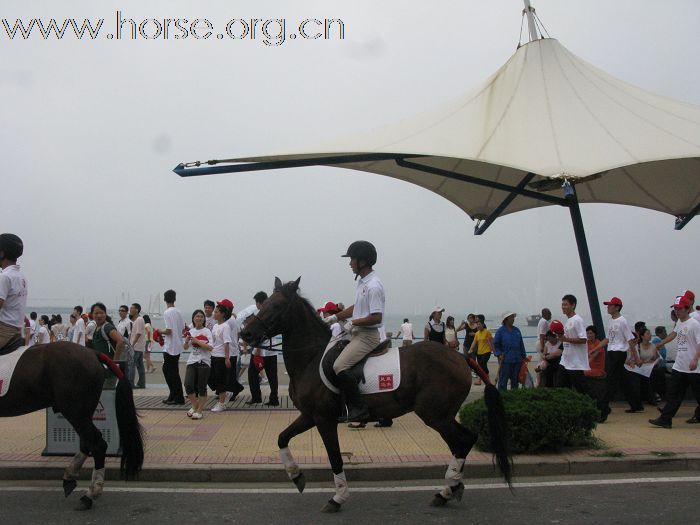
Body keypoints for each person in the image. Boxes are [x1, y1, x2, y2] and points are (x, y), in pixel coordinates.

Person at [323, 241, 385, 422]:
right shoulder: (363, 283)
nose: (350, 263)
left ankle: (359, 408)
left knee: (339, 366)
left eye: (352, 259)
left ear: (363, 261)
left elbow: (376, 317)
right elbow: (357, 307)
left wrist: (353, 323)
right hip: (359, 333)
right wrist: (335, 317)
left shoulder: (373, 285)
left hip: (367, 336)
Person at [649, 295, 700, 428]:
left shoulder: (694, 324)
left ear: (687, 309)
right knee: (674, 394)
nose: (677, 311)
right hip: (680, 365)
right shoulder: (680, 323)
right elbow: (674, 334)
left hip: (694, 367)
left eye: (679, 308)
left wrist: (695, 359)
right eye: (675, 308)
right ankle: (665, 420)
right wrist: (661, 343)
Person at [591, 296, 642, 421]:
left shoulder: (622, 321)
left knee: (610, 382)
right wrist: (595, 348)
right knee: (624, 380)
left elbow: (630, 340)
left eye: (610, 305)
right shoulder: (611, 321)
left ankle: (603, 410)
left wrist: (636, 358)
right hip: (612, 352)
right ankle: (636, 404)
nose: (608, 307)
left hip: (618, 353)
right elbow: (608, 339)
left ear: (617, 307)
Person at [555, 295, 597, 405]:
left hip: (575, 362)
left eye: (565, 304)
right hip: (565, 360)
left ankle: (600, 408)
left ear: (573, 305)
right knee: (560, 386)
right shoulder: (568, 321)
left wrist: (566, 339)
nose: (563, 307)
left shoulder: (577, 320)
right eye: (562, 305)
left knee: (582, 389)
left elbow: (583, 339)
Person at [246, 292, 280, 407]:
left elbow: (259, 333)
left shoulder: (261, 315)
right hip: (269, 351)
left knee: (253, 374)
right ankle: (272, 398)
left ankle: (258, 398)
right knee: (271, 376)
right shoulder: (273, 313)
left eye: (257, 303)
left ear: (259, 303)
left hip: (262, 350)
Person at [0, 234, 28, 351]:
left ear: (2, 253)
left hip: (4, 331)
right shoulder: (22, 277)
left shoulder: (4, 277)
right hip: (17, 331)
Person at [87, 302, 125, 389]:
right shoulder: (97, 328)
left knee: (107, 393)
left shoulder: (107, 327)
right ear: (92, 315)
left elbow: (120, 341)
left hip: (110, 370)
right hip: (103, 369)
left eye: (101, 313)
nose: (99, 315)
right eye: (96, 313)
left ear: (105, 314)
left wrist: (115, 362)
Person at [183, 309, 213, 420]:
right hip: (192, 361)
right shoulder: (191, 331)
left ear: (204, 319)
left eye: (201, 316)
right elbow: (186, 347)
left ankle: (199, 411)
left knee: (202, 388)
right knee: (188, 385)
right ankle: (195, 405)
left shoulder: (207, 331)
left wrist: (197, 341)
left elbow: (210, 348)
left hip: (204, 362)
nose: (199, 318)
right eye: (197, 316)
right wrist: (187, 341)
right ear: (193, 318)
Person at [161, 289, 186, 405]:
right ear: (174, 298)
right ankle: (173, 395)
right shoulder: (179, 312)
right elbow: (182, 328)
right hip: (178, 345)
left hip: (170, 347)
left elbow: (169, 331)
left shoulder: (167, 312)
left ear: (165, 299)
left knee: (169, 372)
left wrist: (158, 331)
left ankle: (178, 396)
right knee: (173, 371)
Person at [493, 312, 526, 391]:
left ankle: (513, 396)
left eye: (513, 317)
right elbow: (495, 344)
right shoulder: (500, 331)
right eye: (511, 317)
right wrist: (499, 354)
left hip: (517, 359)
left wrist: (524, 356)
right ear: (506, 319)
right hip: (506, 360)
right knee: (503, 381)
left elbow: (521, 344)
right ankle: (502, 397)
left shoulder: (517, 330)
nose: (513, 319)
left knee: (515, 380)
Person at [467, 315, 493, 385]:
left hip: (487, 352)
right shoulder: (477, 334)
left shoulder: (487, 332)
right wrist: (470, 349)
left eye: (479, 324)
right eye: (477, 324)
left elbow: (491, 341)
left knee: (481, 366)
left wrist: (493, 350)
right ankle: (488, 380)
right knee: (484, 367)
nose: (477, 326)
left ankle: (479, 380)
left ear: (483, 324)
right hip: (479, 353)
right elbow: (474, 342)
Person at [129, 303, 146, 388]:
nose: (130, 309)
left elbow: (138, 333)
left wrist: (132, 344)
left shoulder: (139, 319)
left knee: (132, 365)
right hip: (138, 346)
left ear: (136, 310)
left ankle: (131, 384)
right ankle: (141, 383)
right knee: (140, 366)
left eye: (132, 308)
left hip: (136, 347)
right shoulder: (137, 320)